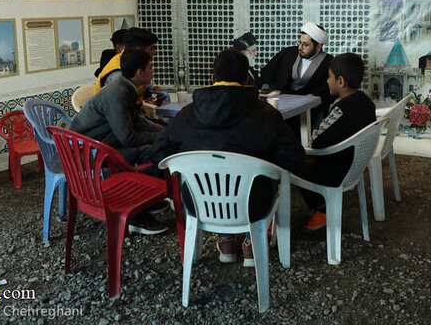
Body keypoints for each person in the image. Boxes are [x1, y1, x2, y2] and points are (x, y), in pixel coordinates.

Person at [151, 49, 305, 266]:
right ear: (246, 80)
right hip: (253, 205)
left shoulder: (186, 115)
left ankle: (226, 242)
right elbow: (294, 158)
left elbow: (159, 152)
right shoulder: (266, 114)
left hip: (199, 203)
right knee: (264, 177)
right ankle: (252, 244)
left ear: (212, 79)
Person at [70, 48, 167, 235]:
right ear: (140, 73)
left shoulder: (126, 86)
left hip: (102, 145)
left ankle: (149, 200)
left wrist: (160, 130)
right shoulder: (118, 92)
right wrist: (161, 137)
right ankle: (137, 214)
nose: (153, 71)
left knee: (156, 142)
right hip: (90, 154)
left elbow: (135, 120)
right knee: (151, 150)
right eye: (150, 67)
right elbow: (128, 138)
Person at [293, 53, 376, 232]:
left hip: (336, 172)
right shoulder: (366, 103)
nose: (327, 82)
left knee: (292, 161)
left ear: (340, 81)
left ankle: (321, 210)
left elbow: (316, 142)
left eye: (329, 77)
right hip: (354, 165)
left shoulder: (342, 109)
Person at [259, 22, 333, 114]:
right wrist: (269, 90)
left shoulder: (328, 62)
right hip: (279, 104)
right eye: (300, 42)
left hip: (308, 110)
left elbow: (330, 93)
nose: (300, 47)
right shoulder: (287, 54)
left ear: (318, 47)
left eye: (305, 45)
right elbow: (266, 74)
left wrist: (314, 97)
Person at [94, 27, 169, 106]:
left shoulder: (135, 62)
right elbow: (116, 108)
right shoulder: (117, 75)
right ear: (138, 50)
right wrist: (141, 106)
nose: (154, 52)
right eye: (151, 49)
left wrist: (143, 103)